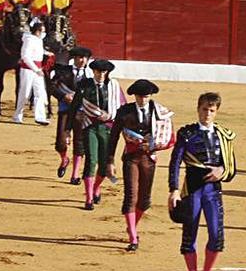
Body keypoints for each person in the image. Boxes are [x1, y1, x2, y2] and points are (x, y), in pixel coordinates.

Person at [168, 92, 237, 271]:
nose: (207, 113)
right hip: (192, 189)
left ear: (217, 112)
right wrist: (174, 190)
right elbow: (175, 163)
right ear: (198, 109)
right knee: (190, 236)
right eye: (204, 109)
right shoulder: (187, 134)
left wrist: (221, 172)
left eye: (211, 110)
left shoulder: (223, 136)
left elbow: (232, 167)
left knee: (216, 236)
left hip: (213, 190)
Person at [107, 79, 176, 251]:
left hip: (149, 158)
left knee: (144, 200)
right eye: (140, 96)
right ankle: (132, 236)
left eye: (146, 96)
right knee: (131, 196)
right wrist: (109, 161)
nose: (143, 100)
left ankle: (133, 226)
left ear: (150, 96)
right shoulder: (124, 112)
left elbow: (168, 137)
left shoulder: (159, 112)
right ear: (135, 96)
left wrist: (154, 145)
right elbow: (113, 137)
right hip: (131, 158)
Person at [79, 58, 125, 210]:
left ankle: (95, 187)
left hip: (108, 127)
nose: (100, 74)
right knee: (91, 160)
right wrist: (67, 130)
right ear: (93, 71)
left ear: (107, 73)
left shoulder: (113, 87)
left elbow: (121, 108)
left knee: (104, 164)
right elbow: (76, 105)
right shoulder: (85, 85)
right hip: (90, 126)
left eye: (103, 72)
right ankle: (89, 197)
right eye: (98, 71)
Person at [53, 47, 92, 184]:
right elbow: (52, 87)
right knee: (60, 142)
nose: (82, 60)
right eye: (79, 58)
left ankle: (75, 175)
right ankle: (64, 159)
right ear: (74, 59)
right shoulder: (63, 71)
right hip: (66, 109)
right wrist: (63, 96)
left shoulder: (91, 75)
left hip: (82, 112)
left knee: (79, 142)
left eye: (84, 58)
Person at [13, 19, 50, 125]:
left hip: (37, 69)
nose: (44, 33)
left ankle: (40, 117)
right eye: (42, 31)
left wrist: (47, 53)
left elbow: (37, 51)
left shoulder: (38, 40)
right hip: (28, 70)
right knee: (25, 93)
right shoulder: (29, 40)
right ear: (37, 31)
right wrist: (36, 69)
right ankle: (18, 115)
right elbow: (25, 56)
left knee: (40, 93)